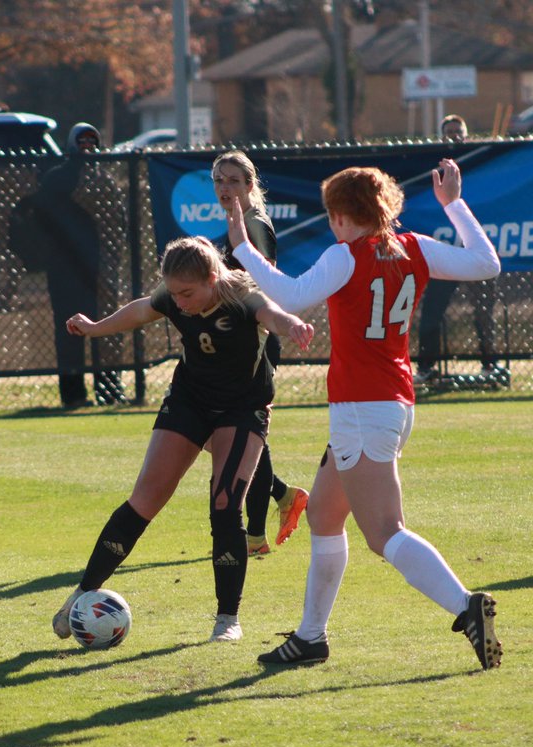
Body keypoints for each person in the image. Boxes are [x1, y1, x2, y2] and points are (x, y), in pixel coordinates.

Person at [225, 159, 504, 670]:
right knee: (323, 514)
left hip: (361, 407)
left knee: (385, 533)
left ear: (341, 215)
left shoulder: (345, 254)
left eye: (334, 213)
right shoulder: (414, 246)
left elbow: (289, 296)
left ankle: (466, 606)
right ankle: (311, 637)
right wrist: (454, 205)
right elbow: (487, 263)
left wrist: (242, 246)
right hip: (391, 402)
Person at [51, 236, 314, 643]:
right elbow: (143, 310)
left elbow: (272, 314)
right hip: (191, 400)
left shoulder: (241, 295)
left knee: (226, 504)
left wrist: (292, 324)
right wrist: (95, 328)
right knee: (145, 498)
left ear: (213, 278)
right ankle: (83, 592)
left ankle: (228, 619)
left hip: (243, 408)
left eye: (188, 293)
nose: (180, 302)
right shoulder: (174, 295)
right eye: (173, 293)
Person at [211, 150, 310, 556]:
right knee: (236, 432)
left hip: (254, 342)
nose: (225, 188)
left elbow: (260, 278)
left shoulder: (254, 223)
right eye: (219, 180)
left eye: (234, 180)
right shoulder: (238, 222)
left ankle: (255, 534)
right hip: (234, 341)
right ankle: (283, 498)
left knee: (247, 432)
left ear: (251, 185)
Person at [8, 123, 127, 408]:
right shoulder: (56, 180)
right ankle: (73, 396)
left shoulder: (105, 181)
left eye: (92, 144)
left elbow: (117, 225)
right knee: (70, 333)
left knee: (108, 331)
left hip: (100, 270)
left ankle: (110, 391)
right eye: (82, 143)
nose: (88, 149)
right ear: (72, 146)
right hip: (66, 272)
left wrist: (110, 260)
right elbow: (41, 224)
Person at [414, 114, 507, 388]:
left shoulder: (481, 162)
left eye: (458, 131)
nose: (454, 136)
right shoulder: (431, 168)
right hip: (445, 255)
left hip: (474, 254)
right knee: (432, 312)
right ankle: (426, 368)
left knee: (483, 311)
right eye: (449, 132)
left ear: (466, 135)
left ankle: (490, 365)